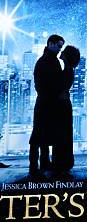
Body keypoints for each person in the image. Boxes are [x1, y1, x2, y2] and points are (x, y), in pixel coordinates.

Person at [29, 34, 65, 178]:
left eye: (61, 46)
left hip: (46, 103)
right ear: (50, 43)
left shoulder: (47, 61)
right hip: (45, 103)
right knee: (38, 136)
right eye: (58, 46)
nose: (59, 49)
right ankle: (34, 166)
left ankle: (42, 163)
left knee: (41, 135)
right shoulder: (46, 62)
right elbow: (42, 85)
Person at [52, 45, 81, 173]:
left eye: (64, 51)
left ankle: (61, 163)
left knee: (61, 134)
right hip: (64, 106)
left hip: (62, 106)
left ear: (67, 56)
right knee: (63, 134)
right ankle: (64, 162)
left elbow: (60, 89)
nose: (61, 52)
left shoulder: (67, 71)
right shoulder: (68, 70)